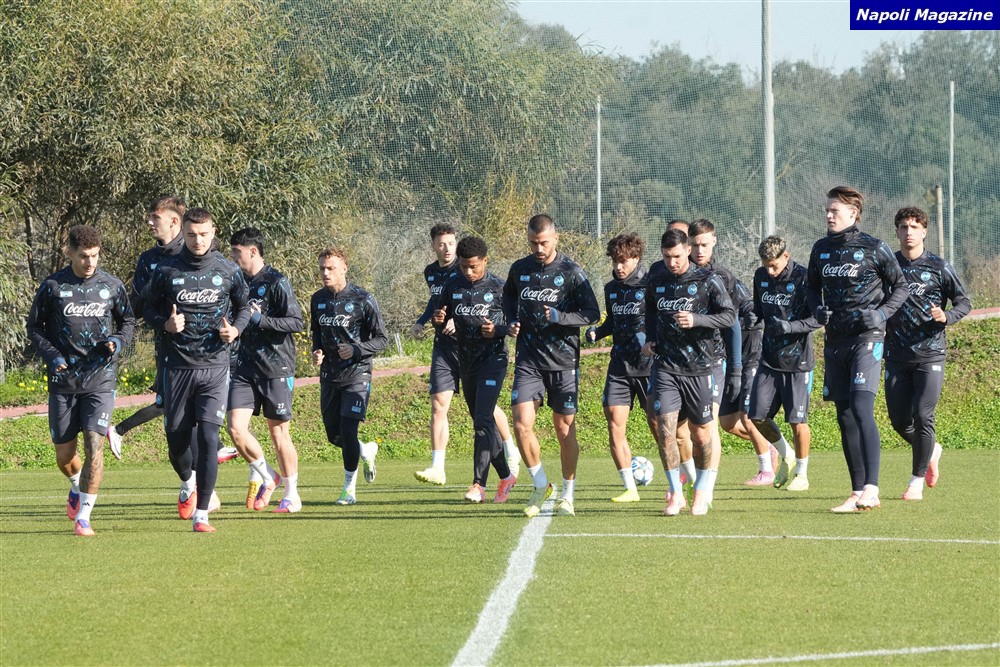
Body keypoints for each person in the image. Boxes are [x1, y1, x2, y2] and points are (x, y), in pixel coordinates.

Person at [107, 196, 239, 464]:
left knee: (190, 408)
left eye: (155, 217)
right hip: (170, 349)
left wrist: (234, 329)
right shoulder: (149, 261)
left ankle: (205, 461)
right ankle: (195, 471)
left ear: (174, 221)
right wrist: (159, 295)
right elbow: (136, 307)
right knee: (172, 408)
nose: (149, 222)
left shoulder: (202, 251)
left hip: (212, 350)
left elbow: (232, 296)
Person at [143, 207, 252, 532]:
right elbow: (145, 308)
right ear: (184, 233)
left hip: (215, 367)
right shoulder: (166, 270)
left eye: (204, 234)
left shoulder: (228, 270)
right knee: (177, 444)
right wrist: (165, 323)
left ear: (213, 233)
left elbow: (245, 306)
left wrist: (236, 329)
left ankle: (202, 513)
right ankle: (188, 482)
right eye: (191, 235)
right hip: (177, 368)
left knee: (208, 438)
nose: (198, 240)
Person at [27, 225, 135, 536]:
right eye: (84, 256)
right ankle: (76, 485)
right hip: (64, 380)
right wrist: (52, 356)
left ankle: (84, 517)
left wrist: (117, 341)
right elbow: (34, 328)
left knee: (94, 444)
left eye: (95, 256)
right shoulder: (53, 286)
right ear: (70, 253)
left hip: (100, 377)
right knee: (64, 456)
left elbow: (128, 321)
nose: (90, 262)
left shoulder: (112, 286)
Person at [807, 186, 908, 512]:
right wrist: (817, 309)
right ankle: (856, 491)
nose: (828, 215)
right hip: (835, 342)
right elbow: (811, 289)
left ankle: (872, 489)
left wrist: (881, 314)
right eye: (827, 210)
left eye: (834, 211)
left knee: (862, 408)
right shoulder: (820, 249)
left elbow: (901, 287)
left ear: (853, 213)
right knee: (845, 415)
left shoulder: (874, 247)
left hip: (867, 339)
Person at [502, 214, 600, 517]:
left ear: (555, 238)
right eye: (533, 243)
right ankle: (541, 484)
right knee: (521, 423)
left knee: (564, 428)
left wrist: (561, 317)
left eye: (543, 242)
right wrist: (511, 321)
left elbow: (592, 313)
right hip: (529, 360)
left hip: (563, 361)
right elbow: (507, 298)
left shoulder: (571, 272)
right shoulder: (519, 269)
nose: (538, 249)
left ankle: (568, 494)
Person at [411, 223, 518, 485]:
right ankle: (439, 467)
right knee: (444, 406)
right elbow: (438, 307)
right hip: (451, 351)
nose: (447, 248)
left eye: (451, 243)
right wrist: (433, 320)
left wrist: (497, 329)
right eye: (441, 243)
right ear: (433, 246)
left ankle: (499, 460)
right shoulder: (439, 277)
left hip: (486, 355)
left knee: (484, 415)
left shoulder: (495, 285)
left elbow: (512, 321)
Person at [687, 219, 790, 488]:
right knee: (728, 423)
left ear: (714, 241)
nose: (700, 250)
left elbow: (747, 308)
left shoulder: (723, 276)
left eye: (705, 244)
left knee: (746, 414)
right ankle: (770, 445)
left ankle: (765, 470)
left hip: (747, 350)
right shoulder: (682, 277)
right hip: (716, 354)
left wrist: (754, 322)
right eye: (695, 244)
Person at [642, 229, 736, 516]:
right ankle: (675, 494)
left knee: (702, 435)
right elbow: (649, 311)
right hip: (666, 368)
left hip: (700, 368)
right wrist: (649, 338)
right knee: (666, 430)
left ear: (687, 251)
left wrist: (697, 319)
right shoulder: (656, 281)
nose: (672, 263)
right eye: (667, 257)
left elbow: (729, 317)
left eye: (677, 257)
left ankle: (702, 490)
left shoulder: (708, 280)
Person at [885, 207, 971, 501]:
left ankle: (916, 482)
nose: (908, 232)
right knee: (899, 421)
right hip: (896, 355)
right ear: (897, 231)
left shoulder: (939, 266)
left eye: (914, 227)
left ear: (924, 232)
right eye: (903, 226)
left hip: (930, 353)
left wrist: (946, 316)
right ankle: (932, 450)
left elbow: (963, 302)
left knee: (923, 416)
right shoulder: (888, 266)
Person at [227, 228, 305, 513]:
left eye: (236, 252)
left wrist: (260, 320)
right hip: (243, 367)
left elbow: (296, 322)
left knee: (278, 434)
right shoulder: (234, 282)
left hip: (275, 367)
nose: (232, 257)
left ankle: (292, 495)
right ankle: (268, 475)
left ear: (253, 251)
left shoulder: (276, 281)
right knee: (236, 428)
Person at [585, 233, 657, 503]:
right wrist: (597, 332)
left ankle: (679, 480)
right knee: (615, 424)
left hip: (649, 366)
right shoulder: (611, 289)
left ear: (636, 258)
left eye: (623, 261)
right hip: (619, 366)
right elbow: (612, 323)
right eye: (615, 261)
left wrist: (651, 340)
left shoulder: (651, 284)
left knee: (658, 425)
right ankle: (630, 488)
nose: (618, 266)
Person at [311, 248, 386, 506]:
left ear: (344, 268)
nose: (325, 273)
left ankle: (348, 489)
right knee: (334, 436)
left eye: (330, 268)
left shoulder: (363, 299)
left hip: (357, 374)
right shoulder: (317, 299)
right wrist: (317, 351)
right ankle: (366, 449)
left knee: (348, 428)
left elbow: (382, 339)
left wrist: (356, 349)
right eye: (322, 268)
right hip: (329, 375)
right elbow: (317, 332)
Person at [749, 236, 822, 491]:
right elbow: (758, 310)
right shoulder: (761, 276)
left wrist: (791, 327)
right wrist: (751, 317)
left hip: (798, 362)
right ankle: (787, 454)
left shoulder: (803, 278)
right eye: (766, 265)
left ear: (786, 256)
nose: (770, 271)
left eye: (774, 265)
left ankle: (802, 473)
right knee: (756, 416)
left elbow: (818, 319)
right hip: (769, 360)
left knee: (797, 420)